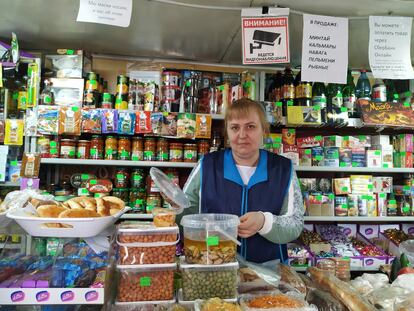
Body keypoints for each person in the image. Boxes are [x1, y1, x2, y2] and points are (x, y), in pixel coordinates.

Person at [182, 98, 304, 263]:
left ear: (264, 130)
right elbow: (186, 217)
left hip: (269, 274)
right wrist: (175, 205)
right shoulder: (207, 165)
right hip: (214, 268)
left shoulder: (283, 168)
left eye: (250, 127)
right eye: (234, 127)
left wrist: (264, 222)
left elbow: (295, 224)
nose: (242, 135)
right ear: (227, 131)